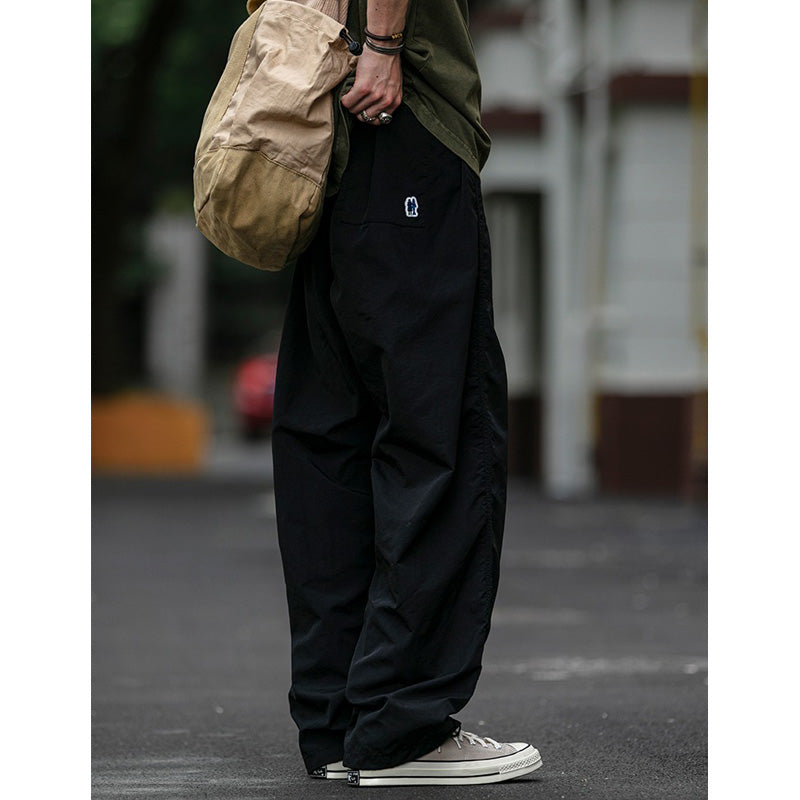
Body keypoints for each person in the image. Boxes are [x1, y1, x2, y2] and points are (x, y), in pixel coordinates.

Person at [270, 0, 542, 786]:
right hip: (395, 108)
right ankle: (401, 727)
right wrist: (384, 44)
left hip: (314, 128)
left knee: (330, 438)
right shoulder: (389, 71)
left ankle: (337, 725)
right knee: (436, 430)